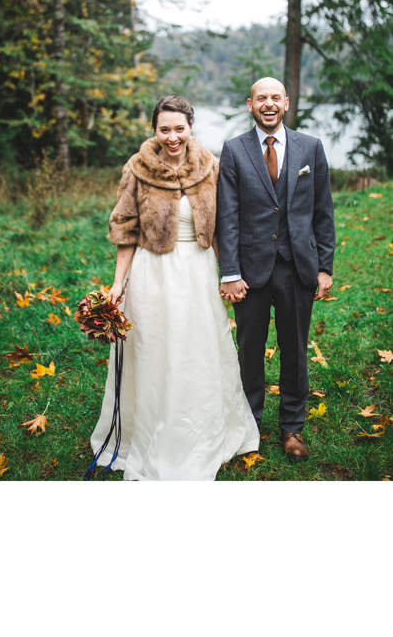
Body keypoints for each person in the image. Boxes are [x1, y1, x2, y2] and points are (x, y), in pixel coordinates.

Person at [89, 95, 259, 479]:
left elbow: (222, 226)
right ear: (154, 129)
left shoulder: (210, 166)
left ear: (190, 128)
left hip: (198, 270)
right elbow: (126, 230)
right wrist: (118, 283)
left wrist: (229, 273)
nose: (172, 137)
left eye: (179, 129)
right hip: (153, 271)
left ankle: (201, 430)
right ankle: (150, 431)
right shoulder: (136, 168)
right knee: (155, 349)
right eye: (164, 129)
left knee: (197, 348)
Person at [216, 77, 335, 461]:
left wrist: (324, 267)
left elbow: (323, 212)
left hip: (298, 267)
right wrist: (230, 272)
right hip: (250, 271)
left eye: (275, 97)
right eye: (261, 98)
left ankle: (292, 427)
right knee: (249, 350)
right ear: (250, 104)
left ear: (286, 102)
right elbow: (227, 216)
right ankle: (248, 424)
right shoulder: (234, 150)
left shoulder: (310, 147)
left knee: (295, 350)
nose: (268, 104)